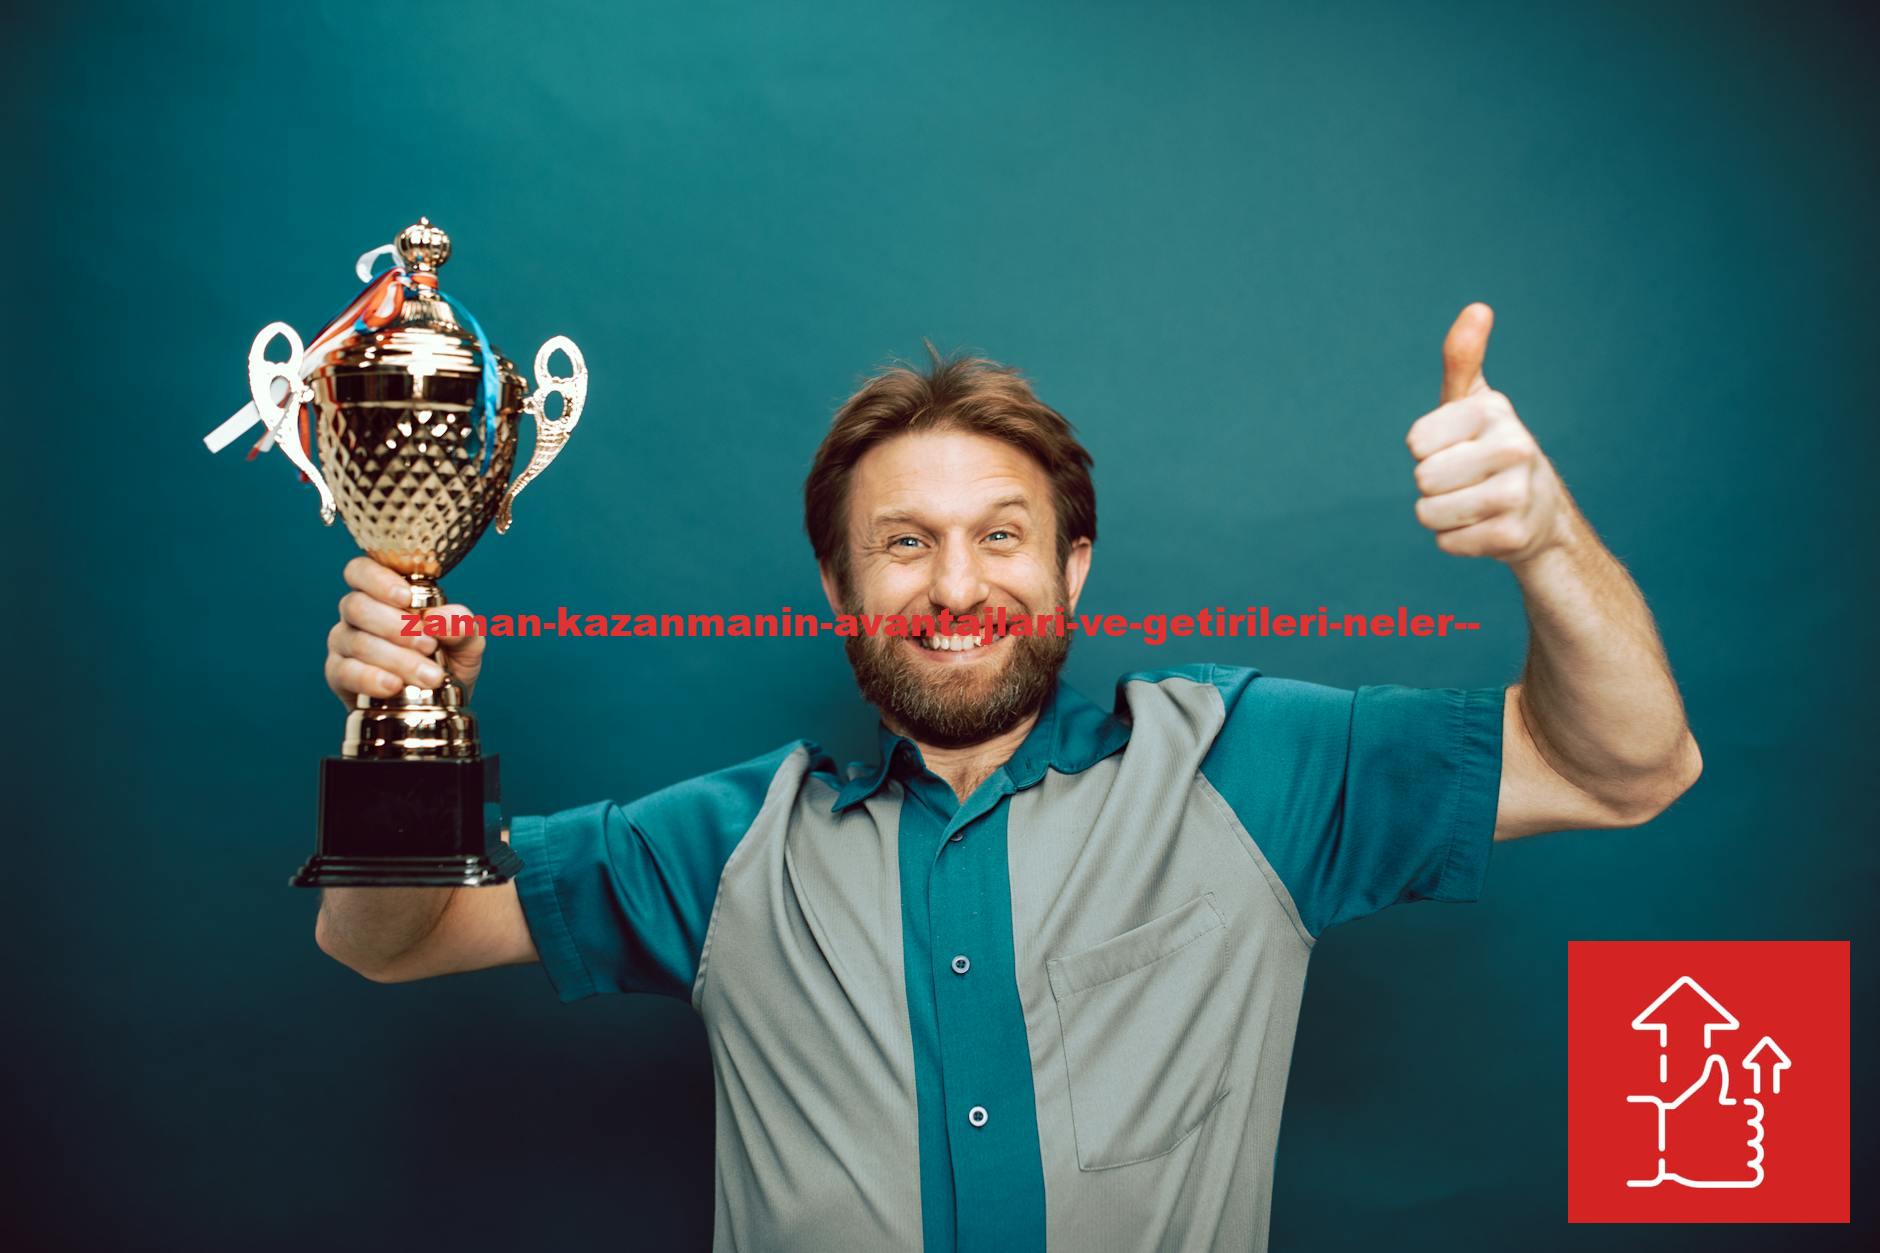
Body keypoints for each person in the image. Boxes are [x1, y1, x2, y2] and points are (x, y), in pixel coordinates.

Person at [314, 304, 1700, 1252]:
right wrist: (400, 717)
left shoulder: (1246, 768)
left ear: (1072, 567)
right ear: (841, 587)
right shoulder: (731, 845)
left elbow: (1630, 766)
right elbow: (392, 936)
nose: (959, 585)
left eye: (1003, 535)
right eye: (905, 543)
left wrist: (1543, 540)